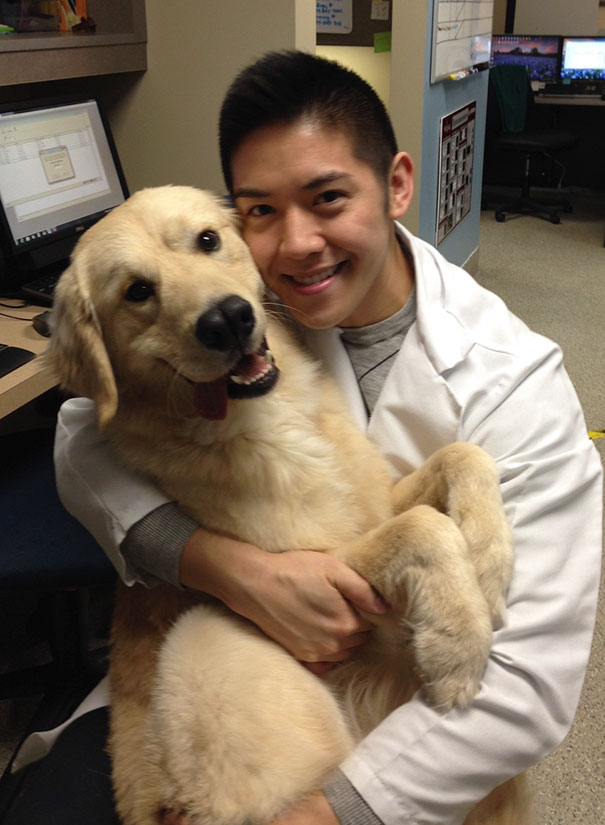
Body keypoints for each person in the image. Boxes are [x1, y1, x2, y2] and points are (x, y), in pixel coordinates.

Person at [48, 51, 601, 825]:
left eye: (328, 197)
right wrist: (217, 564)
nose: (298, 244)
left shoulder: (519, 385)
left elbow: (526, 685)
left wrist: (326, 812)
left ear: (397, 185)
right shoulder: (246, 312)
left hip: (391, 744)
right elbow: (81, 434)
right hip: (239, 696)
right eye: (261, 211)